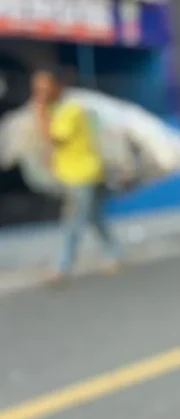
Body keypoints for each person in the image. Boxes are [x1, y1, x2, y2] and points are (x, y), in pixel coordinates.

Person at [32, 67, 123, 283]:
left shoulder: (71, 109)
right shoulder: (57, 109)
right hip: (75, 173)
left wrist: (40, 109)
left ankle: (62, 267)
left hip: (83, 173)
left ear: (57, 85)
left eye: (44, 87)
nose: (39, 92)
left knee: (73, 220)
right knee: (94, 216)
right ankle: (114, 252)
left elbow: (55, 138)